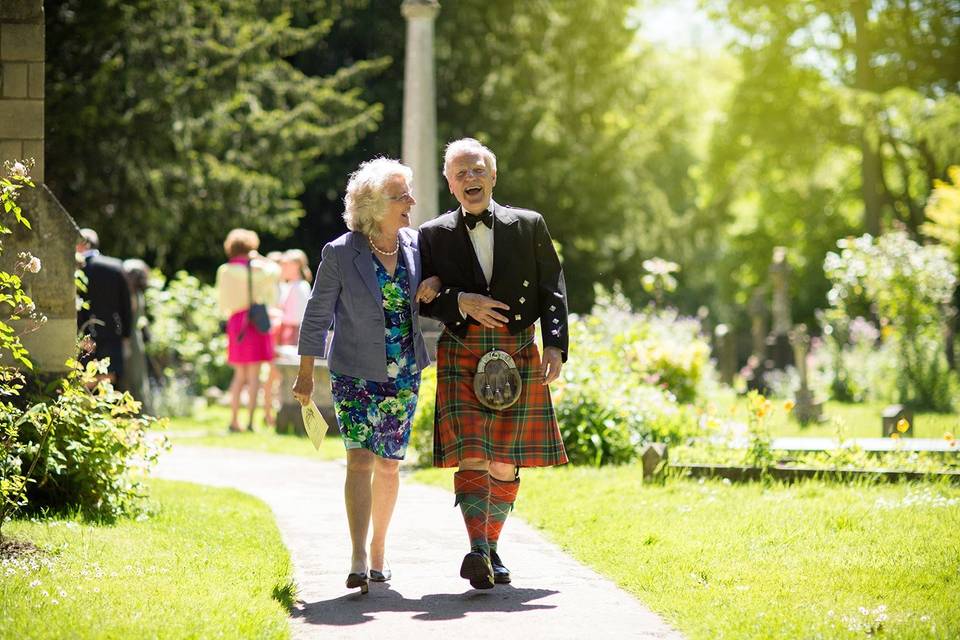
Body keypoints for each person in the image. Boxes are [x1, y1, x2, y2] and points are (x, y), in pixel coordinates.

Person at [418, 138, 569, 590]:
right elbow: (424, 300)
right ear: (449, 183)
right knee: (471, 453)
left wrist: (556, 344)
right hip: (463, 348)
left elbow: (553, 288)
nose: (471, 178)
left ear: (494, 176)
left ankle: (491, 547)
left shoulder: (529, 225)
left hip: (517, 346)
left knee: (504, 461)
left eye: (478, 169)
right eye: (461, 172)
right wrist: (459, 300)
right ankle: (478, 551)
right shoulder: (432, 234)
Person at [292, 157, 440, 594]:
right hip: (353, 373)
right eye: (401, 196)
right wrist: (304, 375)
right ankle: (357, 554)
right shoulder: (340, 252)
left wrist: (432, 282)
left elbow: (438, 284)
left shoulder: (416, 244)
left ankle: (379, 550)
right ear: (374, 206)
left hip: (403, 372)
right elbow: (317, 316)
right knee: (359, 459)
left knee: (390, 465)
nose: (411, 201)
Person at [215, 228, 280, 432]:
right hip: (256, 321)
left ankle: (234, 420)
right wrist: (258, 257)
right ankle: (251, 421)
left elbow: (222, 301)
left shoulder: (224, 270)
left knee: (239, 375)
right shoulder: (258, 269)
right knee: (254, 376)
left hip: (236, 322)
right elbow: (276, 271)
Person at [76, 228, 133, 385]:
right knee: (109, 387)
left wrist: (79, 335)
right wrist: (126, 337)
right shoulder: (115, 266)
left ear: (82, 244)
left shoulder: (75, 268)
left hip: (85, 338)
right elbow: (126, 306)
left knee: (86, 385)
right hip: (112, 335)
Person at [263, 249, 313, 427]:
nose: (282, 268)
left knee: (281, 375)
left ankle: (277, 415)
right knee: (274, 375)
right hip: (283, 332)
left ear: (296, 266)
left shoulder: (300, 287)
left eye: (286, 264)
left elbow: (298, 317)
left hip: (291, 334)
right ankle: (269, 414)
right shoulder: (289, 286)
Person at [120, 258, 155, 415]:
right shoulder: (138, 293)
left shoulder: (131, 295)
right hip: (135, 338)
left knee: (132, 376)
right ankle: (139, 412)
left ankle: (135, 413)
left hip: (130, 339)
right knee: (136, 376)